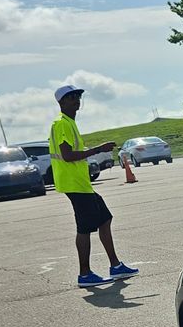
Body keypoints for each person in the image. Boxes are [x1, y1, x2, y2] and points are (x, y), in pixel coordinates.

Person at [49, 84, 138, 288]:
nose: (76, 100)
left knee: (105, 218)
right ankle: (85, 274)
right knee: (85, 228)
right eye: (71, 97)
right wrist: (98, 149)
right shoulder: (62, 123)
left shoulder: (69, 123)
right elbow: (68, 155)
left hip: (81, 184)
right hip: (74, 184)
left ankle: (115, 266)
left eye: (78, 96)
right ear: (61, 102)